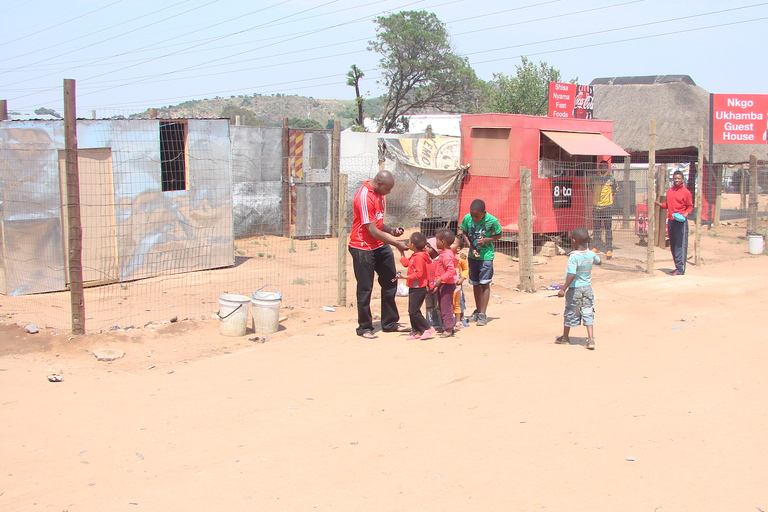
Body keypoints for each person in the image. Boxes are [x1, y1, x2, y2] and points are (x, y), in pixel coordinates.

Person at [348, 170, 410, 339]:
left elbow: (378, 222)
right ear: (380, 183)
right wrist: (396, 243)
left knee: (390, 282)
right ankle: (364, 327)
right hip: (362, 249)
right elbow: (372, 230)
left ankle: (389, 323)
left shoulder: (379, 194)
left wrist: (391, 231)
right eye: (388, 189)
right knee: (365, 288)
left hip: (380, 246)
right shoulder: (364, 196)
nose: (388, 193)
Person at [555, 227, 601, 350]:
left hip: (575, 290)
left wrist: (563, 288)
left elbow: (572, 274)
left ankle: (565, 338)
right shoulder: (591, 254)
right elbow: (599, 261)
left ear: (574, 241)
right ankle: (591, 340)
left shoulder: (573, 257)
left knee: (570, 311)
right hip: (587, 289)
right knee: (588, 311)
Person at [458, 199, 502, 326]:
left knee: (484, 283)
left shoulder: (492, 221)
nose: (474, 218)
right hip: (473, 256)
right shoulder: (467, 218)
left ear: (484, 213)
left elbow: (498, 235)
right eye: (472, 215)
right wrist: (471, 248)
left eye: (477, 216)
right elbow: (464, 233)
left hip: (486, 256)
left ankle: (483, 314)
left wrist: (487, 240)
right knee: (475, 283)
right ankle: (477, 311)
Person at [655, 170, 693, 276]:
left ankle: (681, 269)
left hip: (681, 222)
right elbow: (669, 205)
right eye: (675, 178)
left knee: (681, 245)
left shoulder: (686, 192)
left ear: (682, 180)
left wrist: (685, 215)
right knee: (673, 245)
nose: (676, 180)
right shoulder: (670, 191)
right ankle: (677, 267)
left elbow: (690, 206)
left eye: (678, 178)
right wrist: (660, 205)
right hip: (671, 221)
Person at [397, 232, 434, 340]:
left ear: (412, 245)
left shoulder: (419, 257)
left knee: (414, 310)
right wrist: (401, 253)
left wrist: (406, 277)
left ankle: (427, 328)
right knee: (412, 310)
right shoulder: (416, 255)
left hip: (419, 287)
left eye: (409, 242)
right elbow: (406, 263)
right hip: (414, 287)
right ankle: (418, 331)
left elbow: (419, 273)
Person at [431, 229, 457, 338]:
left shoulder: (446, 255)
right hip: (443, 283)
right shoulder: (446, 253)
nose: (435, 242)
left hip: (447, 284)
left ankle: (449, 328)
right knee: (442, 305)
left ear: (442, 242)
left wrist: (441, 279)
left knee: (445, 305)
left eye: (437, 240)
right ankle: (446, 325)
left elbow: (451, 270)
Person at [591, 159, 618, 258]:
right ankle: (596, 246)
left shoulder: (611, 178)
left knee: (608, 228)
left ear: (607, 167)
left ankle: (609, 248)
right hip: (596, 206)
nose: (603, 168)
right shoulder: (594, 178)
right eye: (601, 166)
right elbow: (590, 187)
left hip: (607, 207)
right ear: (599, 167)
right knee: (597, 228)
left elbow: (616, 190)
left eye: (605, 166)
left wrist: (611, 201)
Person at [424, 237, 444, 332]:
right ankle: (429, 323)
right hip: (427, 287)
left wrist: (437, 285)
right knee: (428, 306)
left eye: (428, 246)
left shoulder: (440, 261)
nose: (425, 248)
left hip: (437, 287)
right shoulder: (425, 260)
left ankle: (439, 323)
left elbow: (440, 274)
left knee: (437, 306)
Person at [450, 236, 469, 329]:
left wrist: (463, 278)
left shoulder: (461, 258)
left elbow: (465, 269)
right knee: (448, 302)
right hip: (447, 284)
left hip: (457, 284)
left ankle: (458, 320)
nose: (449, 244)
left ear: (458, 248)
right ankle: (448, 321)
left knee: (457, 302)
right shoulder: (444, 255)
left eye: (452, 243)